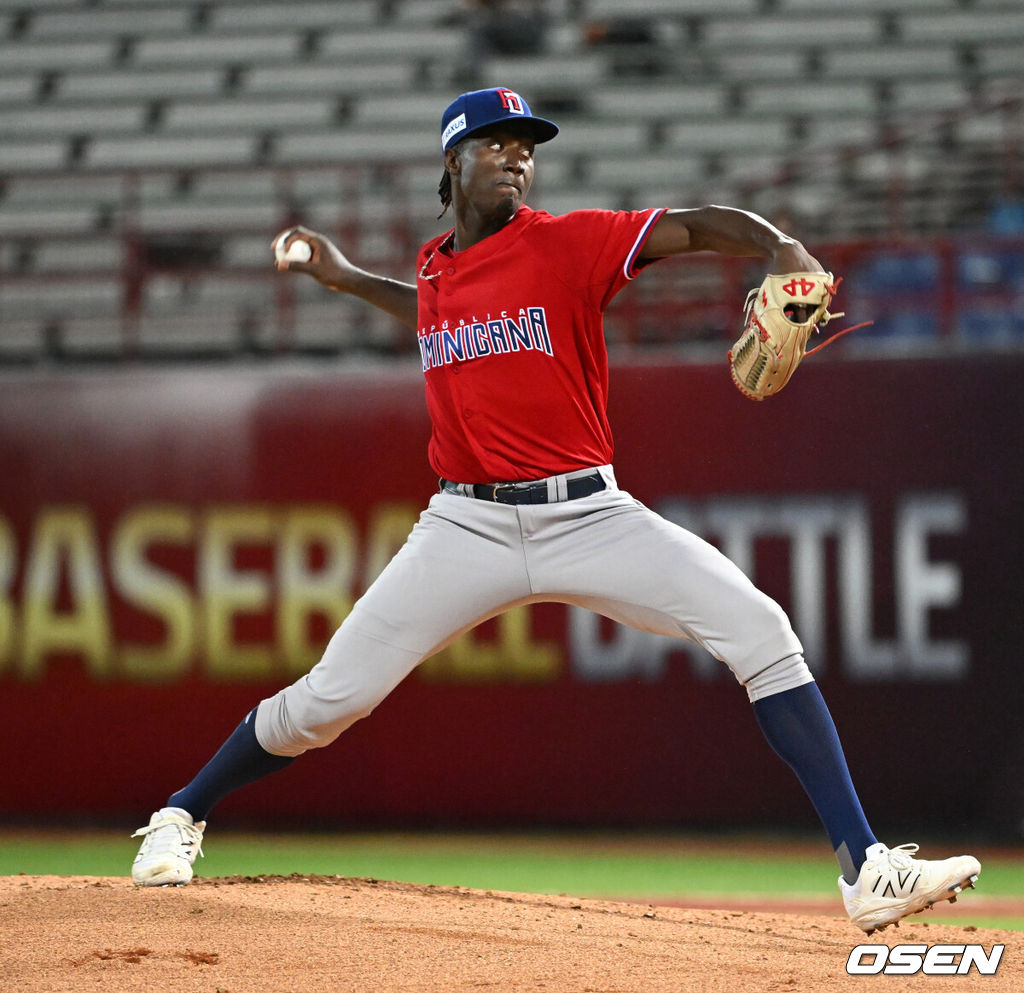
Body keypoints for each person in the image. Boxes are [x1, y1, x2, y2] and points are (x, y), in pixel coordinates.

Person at [131, 87, 980, 934]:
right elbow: (429, 307)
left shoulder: (570, 243)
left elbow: (692, 224)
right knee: (327, 702)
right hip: (464, 528)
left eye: (527, 146)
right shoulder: (437, 269)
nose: (517, 157)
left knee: (762, 628)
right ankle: (181, 812)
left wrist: (779, 243)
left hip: (590, 515)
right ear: (452, 161)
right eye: (496, 143)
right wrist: (344, 276)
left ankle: (865, 867)